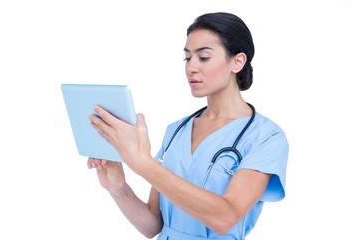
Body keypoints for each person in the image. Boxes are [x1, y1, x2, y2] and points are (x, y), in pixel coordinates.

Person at [87, 12, 289, 240]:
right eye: (187, 58)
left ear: (237, 61)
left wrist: (142, 164)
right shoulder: (177, 130)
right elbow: (153, 225)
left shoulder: (265, 137)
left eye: (203, 57)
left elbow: (225, 217)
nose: (191, 68)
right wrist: (118, 188)